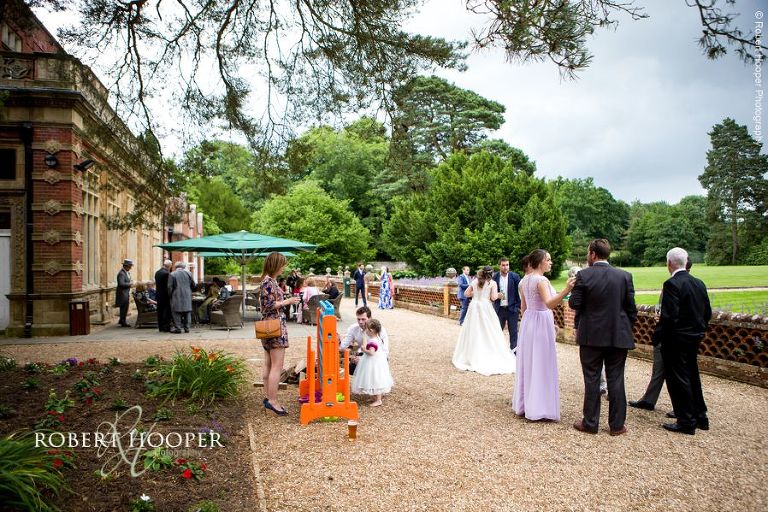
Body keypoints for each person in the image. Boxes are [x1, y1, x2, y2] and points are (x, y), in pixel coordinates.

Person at [569, 239, 637, 436]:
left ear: (592, 254)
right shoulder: (624, 276)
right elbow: (631, 309)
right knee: (616, 379)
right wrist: (623, 327)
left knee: (591, 379)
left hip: (591, 336)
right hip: (618, 336)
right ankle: (617, 426)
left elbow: (574, 304)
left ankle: (590, 423)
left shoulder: (584, 275)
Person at [654, 248, 712, 435]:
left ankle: (686, 420)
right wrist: (700, 329)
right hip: (694, 337)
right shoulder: (699, 283)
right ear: (686, 263)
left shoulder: (671, 284)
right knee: (692, 375)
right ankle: (701, 416)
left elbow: (669, 317)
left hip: (677, 339)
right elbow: (707, 312)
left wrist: (658, 336)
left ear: (669, 264)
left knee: (678, 379)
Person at [512, 250, 575, 422]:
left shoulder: (524, 281)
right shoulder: (542, 280)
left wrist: (529, 325)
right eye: (548, 260)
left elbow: (524, 309)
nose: (551, 262)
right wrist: (567, 290)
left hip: (528, 322)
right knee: (541, 362)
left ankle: (525, 404)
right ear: (540, 262)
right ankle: (540, 407)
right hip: (540, 321)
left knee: (529, 362)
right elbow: (549, 304)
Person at [630, 257, 695, 413]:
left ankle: (683, 408)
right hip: (675, 334)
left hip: (672, 335)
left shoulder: (674, 285)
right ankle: (649, 400)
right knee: (659, 369)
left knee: (678, 373)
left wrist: (662, 317)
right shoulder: (691, 284)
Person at [452, 265, 516, 376]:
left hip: (474, 307)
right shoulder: (492, 283)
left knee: (473, 330)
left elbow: (466, 294)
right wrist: (500, 295)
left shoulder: (475, 281)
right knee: (488, 330)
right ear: (491, 274)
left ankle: (471, 354)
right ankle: (487, 352)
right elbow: (493, 297)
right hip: (486, 307)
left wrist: (476, 294)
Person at [258, 252, 301, 416]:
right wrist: (287, 302)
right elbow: (269, 305)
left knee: (268, 363)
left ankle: (268, 397)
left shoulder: (268, 281)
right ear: (276, 264)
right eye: (283, 264)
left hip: (268, 325)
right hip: (274, 325)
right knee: (277, 365)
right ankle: (273, 401)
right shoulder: (268, 282)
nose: (285, 267)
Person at [351, 319, 393, 406]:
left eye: (367, 329)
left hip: (373, 362)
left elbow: (371, 353)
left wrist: (364, 350)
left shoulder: (372, 341)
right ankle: (374, 397)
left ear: (372, 330)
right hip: (377, 361)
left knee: (374, 379)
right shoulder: (377, 338)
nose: (365, 330)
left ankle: (378, 400)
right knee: (373, 378)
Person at [339, 306, 390, 375]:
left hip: (377, 357)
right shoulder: (353, 328)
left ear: (370, 318)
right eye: (358, 319)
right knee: (350, 369)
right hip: (364, 353)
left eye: (363, 319)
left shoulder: (380, 330)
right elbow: (343, 345)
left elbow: (384, 351)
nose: (360, 322)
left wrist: (362, 359)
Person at [492, 257, 522, 351]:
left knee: (513, 333)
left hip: (512, 309)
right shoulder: (495, 277)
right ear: (499, 266)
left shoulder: (515, 276)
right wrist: (496, 295)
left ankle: (514, 352)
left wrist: (517, 307)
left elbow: (520, 293)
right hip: (499, 309)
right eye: (503, 265)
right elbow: (490, 293)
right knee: (497, 332)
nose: (505, 267)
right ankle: (497, 352)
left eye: (507, 265)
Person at [168, 261, 196, 334]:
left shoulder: (172, 274)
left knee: (176, 312)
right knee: (187, 312)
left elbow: (169, 287)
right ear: (184, 267)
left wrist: (170, 295)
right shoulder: (189, 273)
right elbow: (193, 284)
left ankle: (178, 328)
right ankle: (187, 328)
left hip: (176, 294)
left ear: (175, 267)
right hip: (187, 294)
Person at [154, 260, 173, 332]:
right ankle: (166, 327)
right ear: (168, 266)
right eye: (171, 266)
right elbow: (167, 286)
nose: (171, 267)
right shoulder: (166, 273)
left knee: (160, 311)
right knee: (167, 311)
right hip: (165, 295)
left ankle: (160, 327)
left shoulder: (157, 272)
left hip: (158, 295)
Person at [115, 259, 134, 327]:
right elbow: (121, 283)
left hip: (125, 293)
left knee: (125, 308)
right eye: (130, 266)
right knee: (124, 308)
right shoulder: (121, 273)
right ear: (126, 266)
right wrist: (130, 284)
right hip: (122, 294)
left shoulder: (126, 272)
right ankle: (123, 322)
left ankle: (121, 320)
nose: (131, 268)